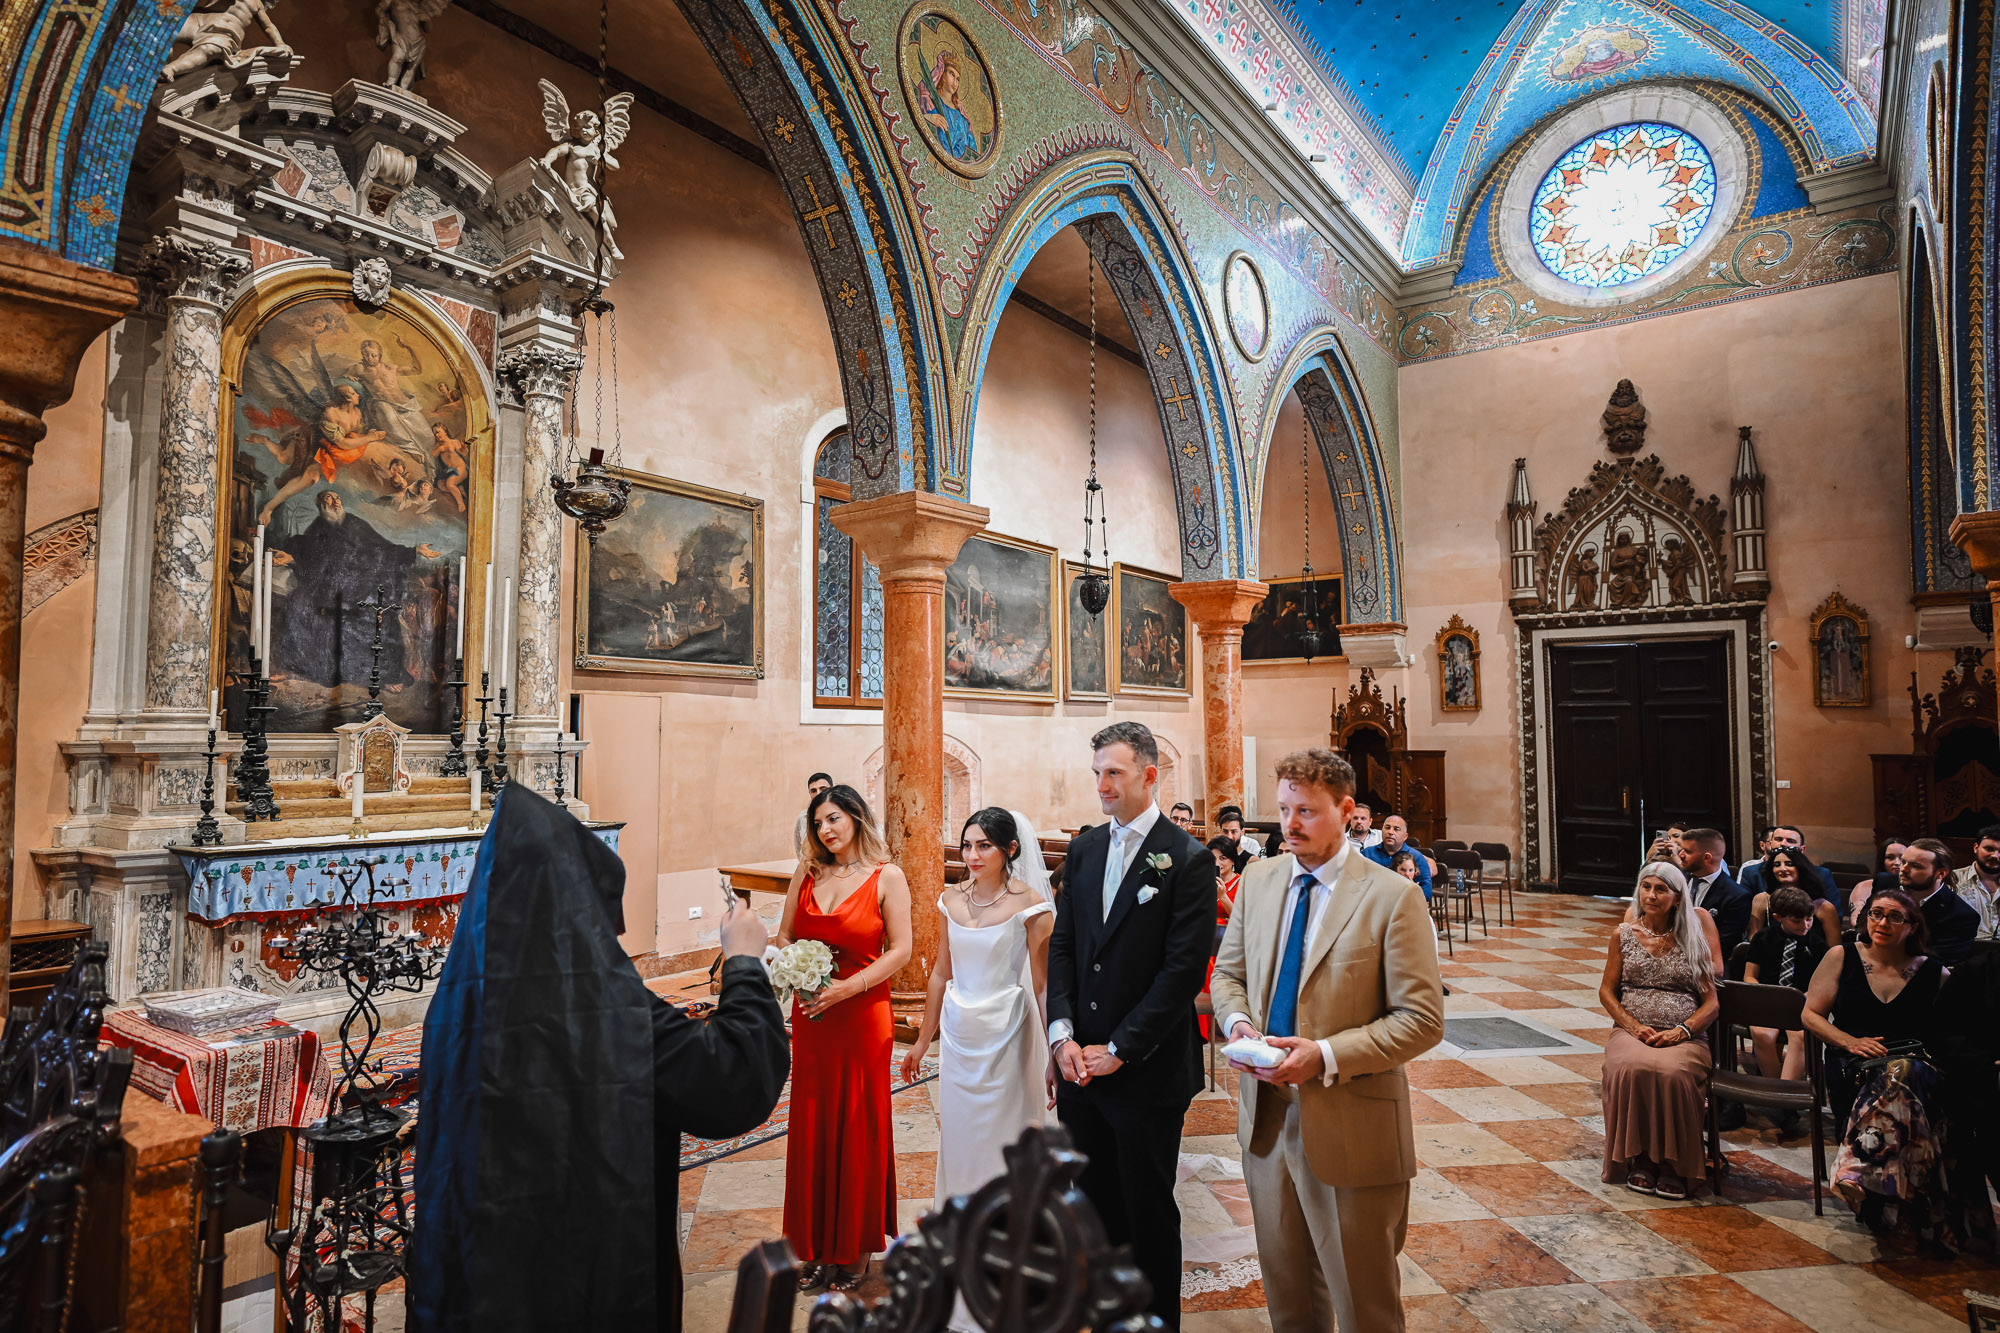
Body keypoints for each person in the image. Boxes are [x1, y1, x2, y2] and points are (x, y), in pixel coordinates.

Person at [410, 784, 788, 1333]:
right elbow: (730, 1081)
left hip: (477, 1272)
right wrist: (745, 963)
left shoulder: (460, 998)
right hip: (585, 1280)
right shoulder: (607, 1008)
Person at [1210, 748, 1443, 1332]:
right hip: (1265, 1116)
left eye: (1306, 812)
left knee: (1363, 1300)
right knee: (1290, 1297)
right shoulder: (1261, 881)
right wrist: (1239, 1025)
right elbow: (1229, 974)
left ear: (1345, 810)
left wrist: (1326, 1056)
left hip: (1350, 1118)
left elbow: (1421, 1018)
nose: (1289, 824)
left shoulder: (1393, 897)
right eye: (1284, 809)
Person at [1047, 722, 1216, 1330]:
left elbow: (1181, 973)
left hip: (1143, 1069)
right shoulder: (1087, 848)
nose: (1102, 785)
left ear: (1149, 775)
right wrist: (1061, 1034)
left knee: (1145, 1210)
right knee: (1089, 1207)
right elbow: (1063, 948)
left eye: (1113, 773)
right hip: (1078, 1070)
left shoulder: (1188, 860)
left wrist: (1120, 1047)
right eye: (1096, 773)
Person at [777, 784, 913, 1292]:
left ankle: (853, 1251)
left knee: (858, 1124)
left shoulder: (886, 876)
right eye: (818, 823)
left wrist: (847, 988)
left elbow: (901, 950)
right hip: (813, 1017)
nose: (825, 830)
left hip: (860, 1016)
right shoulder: (807, 873)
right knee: (812, 1123)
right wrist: (798, 970)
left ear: (857, 817)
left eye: (833, 819)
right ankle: (813, 1247)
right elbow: (785, 935)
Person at [903, 810, 1055, 1250]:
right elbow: (939, 974)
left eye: (984, 845)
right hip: (959, 1035)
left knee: (1005, 1137)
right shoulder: (951, 899)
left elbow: (1043, 986)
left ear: (1010, 849)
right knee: (961, 1137)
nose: (972, 855)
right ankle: (963, 1240)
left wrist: (1053, 1053)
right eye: (967, 845)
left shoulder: (1031, 905)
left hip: (1007, 1033)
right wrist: (922, 1039)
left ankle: (1010, 1244)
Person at [1801, 888, 1949, 1236]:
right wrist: (1850, 1042)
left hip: (1916, 1068)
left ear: (1913, 926)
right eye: (1876, 913)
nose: (1882, 922)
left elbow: (1960, 1028)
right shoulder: (1842, 955)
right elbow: (1810, 1014)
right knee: (1899, 1086)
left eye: (1895, 916)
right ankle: (1908, 1210)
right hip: (1853, 1064)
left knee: (1903, 1073)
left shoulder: (1935, 972)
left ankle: (1856, 1170)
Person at [1598, 861, 1718, 1201]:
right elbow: (1607, 991)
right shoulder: (1622, 935)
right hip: (1632, 1030)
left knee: (1673, 1073)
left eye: (1661, 889)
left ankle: (1673, 1164)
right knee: (1629, 1068)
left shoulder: (1694, 938)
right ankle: (1642, 1158)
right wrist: (1634, 1027)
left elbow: (1711, 1003)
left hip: (1684, 1034)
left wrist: (1683, 1031)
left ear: (1677, 898)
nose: (1651, 895)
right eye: (1647, 887)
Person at [1743, 885, 1827, 1112]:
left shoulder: (1816, 944)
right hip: (1769, 1002)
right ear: (1779, 917)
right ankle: (1776, 1094)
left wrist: (1805, 998)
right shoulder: (1763, 938)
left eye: (1809, 920)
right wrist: (1768, 997)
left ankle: (1783, 1101)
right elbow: (1750, 977)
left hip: (1802, 1005)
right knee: (1761, 1033)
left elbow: (1821, 985)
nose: (1805, 926)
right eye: (1797, 921)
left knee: (1799, 1037)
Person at [1199, 836, 1251, 1039]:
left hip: (1231, 939)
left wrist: (1222, 897)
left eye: (1223, 858)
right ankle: (1199, 1025)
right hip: (1205, 936)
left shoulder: (1242, 882)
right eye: (1213, 858)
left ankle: (1218, 1016)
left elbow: (1240, 918)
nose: (1218, 863)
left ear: (1232, 860)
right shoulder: (1205, 881)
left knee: (1209, 963)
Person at [1899, 838, 1980, 965]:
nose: (1903, 869)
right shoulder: (1885, 884)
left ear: (1941, 873)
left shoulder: (1961, 916)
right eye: (1903, 862)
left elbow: (1935, 964)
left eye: (1915, 866)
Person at [1675, 828, 1751, 963]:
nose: (1680, 855)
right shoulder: (1676, 880)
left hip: (1707, 963)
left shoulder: (1737, 896)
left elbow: (1724, 943)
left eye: (1687, 851)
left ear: (1707, 857)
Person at [1745, 846, 1842, 946]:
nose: (1782, 869)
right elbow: (1753, 941)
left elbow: (1834, 949)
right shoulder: (1762, 899)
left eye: (1789, 864)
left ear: (1801, 867)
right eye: (1777, 865)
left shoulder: (1823, 906)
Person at [1363, 814, 1432, 900]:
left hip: (1405, 906)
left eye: (1396, 829)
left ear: (1405, 836)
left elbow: (1427, 893)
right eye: (1387, 828)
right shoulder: (1367, 854)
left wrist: (1413, 891)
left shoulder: (1417, 857)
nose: (1390, 832)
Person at [1950, 823, 2000, 941]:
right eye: (1989, 849)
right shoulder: (1952, 879)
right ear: (1976, 847)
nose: (1995, 855)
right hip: (1965, 953)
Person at [793, 771, 833, 856]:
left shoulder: (841, 815)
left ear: (832, 790)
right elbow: (799, 848)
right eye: (813, 790)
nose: (818, 793)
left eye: (823, 789)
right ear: (810, 793)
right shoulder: (803, 817)